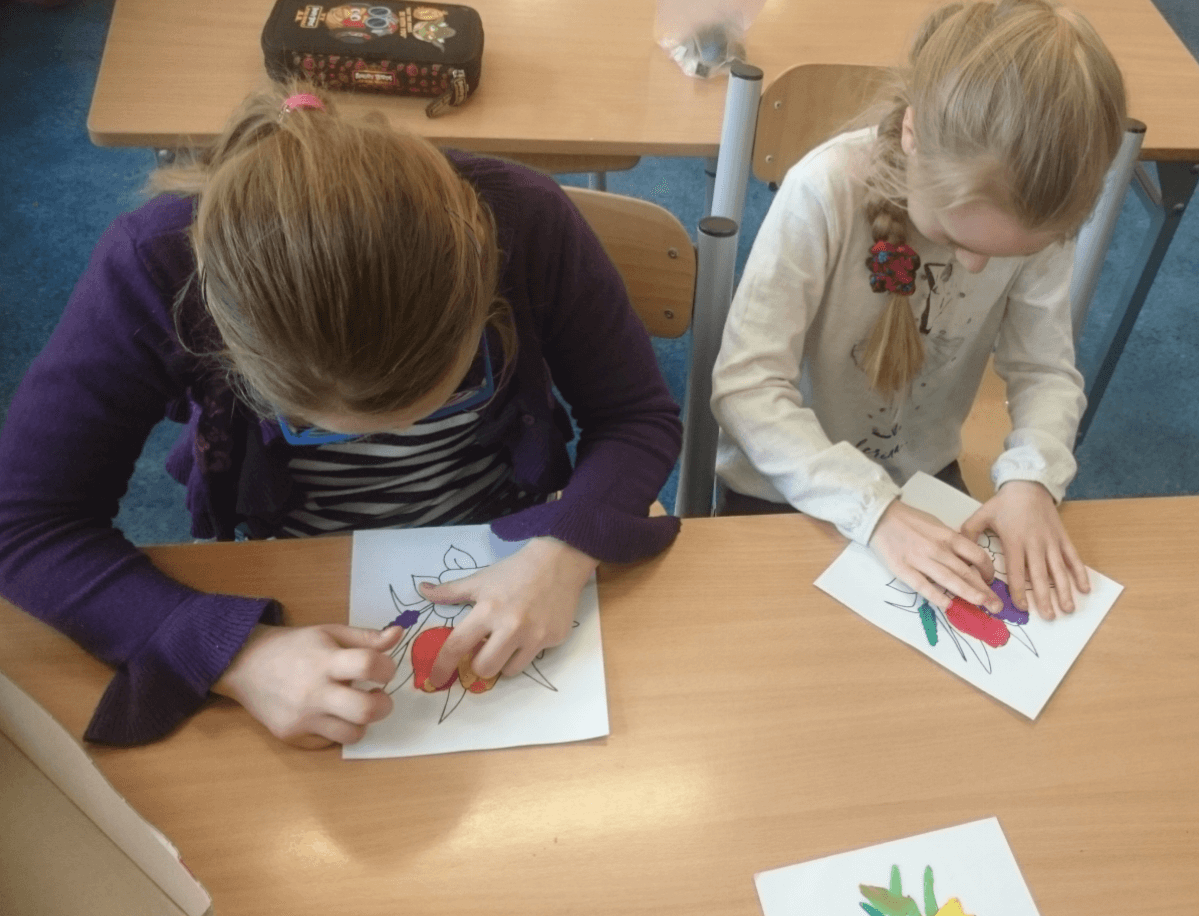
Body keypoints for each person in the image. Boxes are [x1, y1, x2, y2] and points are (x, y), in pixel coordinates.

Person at [0, 83, 682, 748]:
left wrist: (564, 550)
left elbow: (635, 415)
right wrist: (236, 654)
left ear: (483, 299)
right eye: (311, 424)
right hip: (289, 558)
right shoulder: (155, 265)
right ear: (233, 355)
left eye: (445, 395)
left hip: (508, 540)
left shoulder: (525, 221)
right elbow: (24, 520)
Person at [710, 0, 1126, 622]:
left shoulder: (1035, 216)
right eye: (957, 240)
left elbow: (1044, 370)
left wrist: (1031, 478)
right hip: (785, 485)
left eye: (1008, 254)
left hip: (923, 481)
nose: (977, 266)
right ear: (913, 135)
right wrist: (875, 512)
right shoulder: (825, 191)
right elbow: (746, 387)